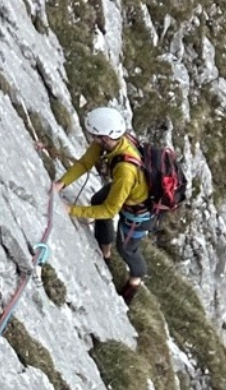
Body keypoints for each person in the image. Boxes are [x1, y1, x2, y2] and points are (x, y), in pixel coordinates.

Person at [59, 104, 153, 302]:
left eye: (94, 136)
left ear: (105, 138)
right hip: (129, 189)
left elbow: (109, 211)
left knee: (126, 248)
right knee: (98, 199)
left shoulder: (125, 170)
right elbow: (85, 162)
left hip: (139, 210)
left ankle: (136, 279)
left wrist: (72, 210)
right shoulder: (109, 142)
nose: (91, 139)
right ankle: (104, 252)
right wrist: (60, 184)